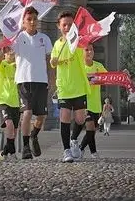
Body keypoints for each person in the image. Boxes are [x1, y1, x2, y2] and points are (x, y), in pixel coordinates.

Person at [12, 6, 53, 160]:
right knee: (27, 113)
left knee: (41, 117)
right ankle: (26, 147)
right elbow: (7, 53)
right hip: (24, 81)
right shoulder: (17, 38)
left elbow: (49, 61)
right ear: (23, 21)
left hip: (41, 81)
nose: (33, 22)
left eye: (35, 19)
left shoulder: (45, 38)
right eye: (29, 19)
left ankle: (33, 136)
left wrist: (52, 79)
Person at [50, 11, 90, 163]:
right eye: (64, 25)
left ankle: (74, 139)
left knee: (80, 120)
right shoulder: (57, 44)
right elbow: (53, 62)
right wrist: (54, 61)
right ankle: (66, 150)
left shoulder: (78, 42)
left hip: (79, 86)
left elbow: (85, 53)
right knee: (65, 118)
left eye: (70, 24)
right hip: (64, 87)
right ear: (59, 26)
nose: (67, 27)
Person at [80, 44, 106, 157]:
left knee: (92, 131)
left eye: (91, 49)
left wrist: (121, 75)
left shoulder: (98, 66)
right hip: (85, 103)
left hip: (96, 104)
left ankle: (92, 152)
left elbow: (108, 77)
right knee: (90, 128)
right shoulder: (80, 67)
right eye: (87, 50)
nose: (89, 52)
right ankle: (80, 149)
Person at [0, 45, 20, 160]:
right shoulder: (2, 64)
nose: (11, 55)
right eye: (9, 52)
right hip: (3, 100)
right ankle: (13, 152)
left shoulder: (18, 66)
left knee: (14, 131)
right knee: (8, 125)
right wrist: (2, 50)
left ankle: (4, 152)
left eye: (13, 53)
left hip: (16, 102)